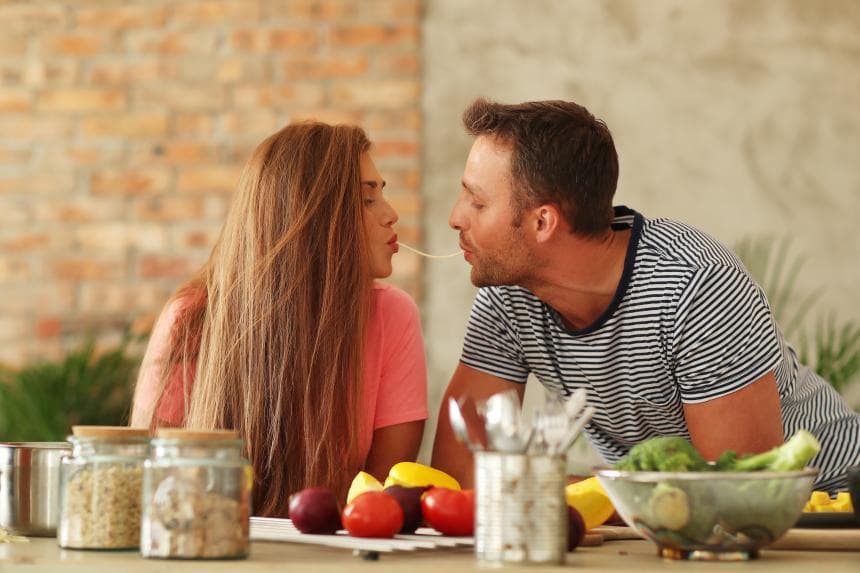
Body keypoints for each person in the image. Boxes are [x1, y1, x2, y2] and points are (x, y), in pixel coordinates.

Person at [431, 98, 860, 492]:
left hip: (831, 507)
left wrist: (555, 487)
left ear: (543, 222)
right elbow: (458, 476)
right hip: (663, 520)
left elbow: (738, 492)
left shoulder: (695, 286)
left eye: (477, 203)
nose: (455, 217)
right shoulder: (510, 293)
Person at [131, 122, 428, 516]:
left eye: (382, 195)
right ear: (310, 216)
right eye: (366, 199)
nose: (391, 215)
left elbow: (379, 505)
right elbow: (153, 485)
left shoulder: (393, 315)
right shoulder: (191, 317)